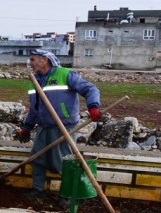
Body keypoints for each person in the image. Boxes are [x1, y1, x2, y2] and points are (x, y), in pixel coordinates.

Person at [18, 49, 101, 204]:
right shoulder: (34, 79)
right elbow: (34, 108)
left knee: (63, 162)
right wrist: (27, 127)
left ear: (44, 60)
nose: (30, 63)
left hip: (63, 127)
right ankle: (37, 191)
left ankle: (66, 196)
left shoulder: (66, 74)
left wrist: (93, 107)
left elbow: (90, 89)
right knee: (37, 159)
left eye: (32, 59)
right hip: (44, 127)